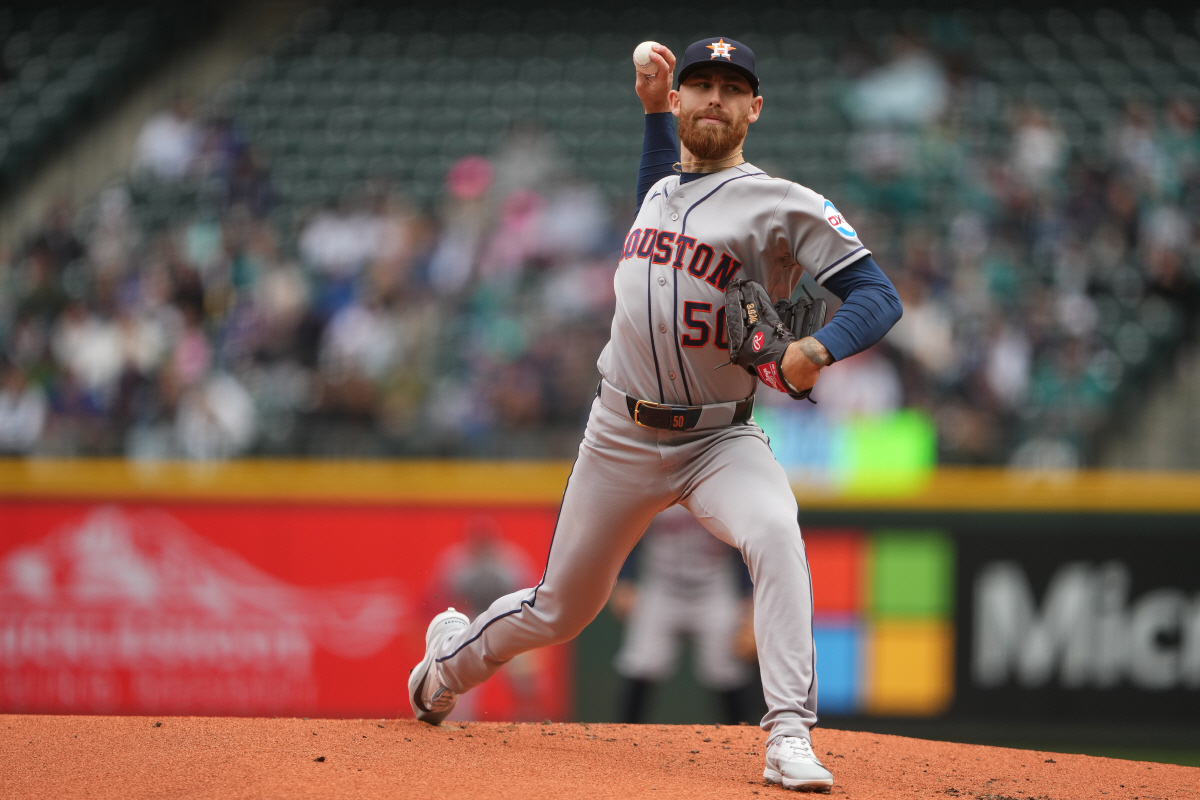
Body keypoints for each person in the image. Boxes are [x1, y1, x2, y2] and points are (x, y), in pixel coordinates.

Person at [409, 38, 903, 793]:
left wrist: (819, 348)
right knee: (559, 611)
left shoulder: (781, 203)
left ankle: (789, 736)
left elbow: (878, 295)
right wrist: (647, 116)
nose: (714, 97)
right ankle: (447, 662)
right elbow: (658, 196)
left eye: (731, 89)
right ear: (679, 102)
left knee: (774, 528)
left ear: (754, 109)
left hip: (719, 435)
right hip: (619, 432)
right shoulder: (660, 190)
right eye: (700, 84)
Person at [609, 505, 756, 725]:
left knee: (727, 672)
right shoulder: (655, 481)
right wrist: (625, 577)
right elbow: (627, 530)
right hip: (661, 588)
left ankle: (742, 744)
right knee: (641, 664)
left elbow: (748, 545)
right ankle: (619, 740)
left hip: (714, 591)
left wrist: (749, 597)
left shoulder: (724, 487)